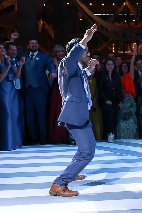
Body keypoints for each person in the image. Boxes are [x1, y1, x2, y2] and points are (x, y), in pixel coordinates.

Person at [49, 24, 98, 197]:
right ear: (76, 52)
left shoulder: (76, 70)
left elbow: (81, 77)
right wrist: (85, 39)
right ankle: (60, 184)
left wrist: (90, 68)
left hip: (80, 114)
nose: (87, 54)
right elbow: (72, 61)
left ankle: (73, 171)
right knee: (87, 152)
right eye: (85, 51)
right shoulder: (67, 63)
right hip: (75, 114)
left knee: (86, 148)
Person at [0, 42, 25, 151]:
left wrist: (20, 65)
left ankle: (16, 143)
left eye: (3, 48)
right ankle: (7, 144)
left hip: (12, 89)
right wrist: (8, 66)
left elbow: (17, 76)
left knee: (14, 114)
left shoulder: (10, 60)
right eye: (0, 48)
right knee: (6, 114)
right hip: (2, 90)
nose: (3, 50)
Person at [20, 39, 56, 145]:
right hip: (27, 89)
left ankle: (43, 137)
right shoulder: (23, 55)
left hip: (40, 89)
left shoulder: (44, 56)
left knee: (41, 114)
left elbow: (50, 66)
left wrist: (53, 72)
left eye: (36, 43)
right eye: (32, 43)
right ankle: (32, 137)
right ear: (28, 45)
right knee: (29, 115)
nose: (34, 45)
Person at [98, 58, 124, 142]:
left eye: (112, 64)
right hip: (104, 100)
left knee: (114, 115)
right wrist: (105, 100)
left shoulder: (116, 76)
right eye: (108, 64)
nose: (110, 66)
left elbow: (119, 90)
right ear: (105, 65)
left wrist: (120, 101)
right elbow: (100, 90)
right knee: (109, 113)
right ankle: (109, 134)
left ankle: (111, 133)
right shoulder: (101, 75)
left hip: (114, 100)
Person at [48, 45, 69, 144]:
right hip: (56, 89)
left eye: (62, 51)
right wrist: (56, 66)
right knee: (56, 110)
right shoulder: (51, 62)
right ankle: (57, 137)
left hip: (67, 88)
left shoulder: (68, 61)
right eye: (58, 52)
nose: (60, 53)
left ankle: (67, 136)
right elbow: (53, 76)